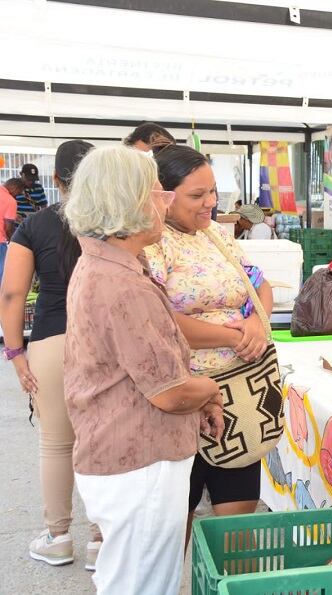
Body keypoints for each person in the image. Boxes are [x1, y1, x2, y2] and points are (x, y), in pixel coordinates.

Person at [62, 145, 223, 594]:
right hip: (140, 461)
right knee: (143, 584)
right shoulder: (120, 282)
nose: (166, 202)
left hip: (123, 454)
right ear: (127, 201)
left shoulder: (104, 263)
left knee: (135, 578)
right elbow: (170, 393)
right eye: (157, 192)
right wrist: (210, 387)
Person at [144, 144, 274, 537]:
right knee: (173, 528)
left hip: (242, 397)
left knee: (237, 528)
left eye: (213, 191)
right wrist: (233, 336)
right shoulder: (152, 242)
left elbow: (259, 283)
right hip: (181, 401)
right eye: (197, 195)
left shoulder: (218, 234)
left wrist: (257, 325)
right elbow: (157, 322)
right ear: (163, 196)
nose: (210, 204)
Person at [0, 141, 104, 570]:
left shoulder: (35, 225)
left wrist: (15, 353)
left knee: (57, 444)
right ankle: (102, 539)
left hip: (51, 340)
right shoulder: (113, 221)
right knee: (101, 442)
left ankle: (58, 537)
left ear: (57, 180)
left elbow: (11, 293)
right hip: (105, 342)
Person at [0, 178, 23, 280]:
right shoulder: (10, 201)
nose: (17, 195)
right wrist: (13, 241)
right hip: (0, 242)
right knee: (2, 276)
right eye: (18, 192)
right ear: (14, 188)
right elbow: (9, 228)